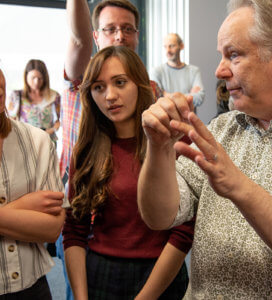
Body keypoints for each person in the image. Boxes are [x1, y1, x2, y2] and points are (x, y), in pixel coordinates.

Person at [138, 0, 272, 299]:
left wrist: (237, 185)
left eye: (233, 55)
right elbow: (159, 216)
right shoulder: (220, 129)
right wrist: (158, 150)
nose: (219, 70)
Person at [62, 45, 193, 300]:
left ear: (140, 84)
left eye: (120, 82)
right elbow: (74, 230)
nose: (110, 95)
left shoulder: (173, 141)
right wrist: (80, 297)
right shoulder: (86, 150)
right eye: (99, 87)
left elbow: (183, 232)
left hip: (160, 275)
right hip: (100, 272)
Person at [0, 47, 68, 299]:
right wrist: (25, 205)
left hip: (33, 288)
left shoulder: (37, 141)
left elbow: (51, 229)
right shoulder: (18, 97)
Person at [60, 0, 162, 179]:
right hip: (82, 191)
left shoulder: (150, 88)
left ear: (137, 36)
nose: (120, 36)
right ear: (96, 36)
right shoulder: (82, 77)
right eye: (110, 29)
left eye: (128, 29)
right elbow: (79, 41)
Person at [6, 59, 61, 144]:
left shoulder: (54, 96)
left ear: (45, 78)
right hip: (25, 143)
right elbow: (10, 122)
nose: (36, 82)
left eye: (40, 78)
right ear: (26, 76)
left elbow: (58, 122)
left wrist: (48, 132)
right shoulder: (16, 96)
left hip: (48, 143)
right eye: (33, 78)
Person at [151, 33, 205, 109]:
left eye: (172, 46)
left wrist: (166, 95)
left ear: (181, 46)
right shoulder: (157, 72)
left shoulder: (194, 71)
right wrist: (189, 95)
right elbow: (156, 98)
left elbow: (199, 98)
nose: (168, 50)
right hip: (165, 120)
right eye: (165, 47)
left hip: (188, 120)